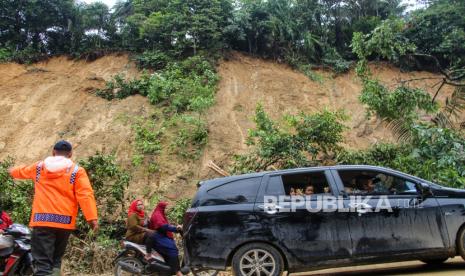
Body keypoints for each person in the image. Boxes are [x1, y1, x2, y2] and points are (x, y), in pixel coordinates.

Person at [8, 140, 98, 276]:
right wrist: (92, 218)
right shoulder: (76, 171)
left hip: (42, 222)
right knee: (56, 261)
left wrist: (10, 171)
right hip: (64, 224)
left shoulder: (39, 167)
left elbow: (21, 171)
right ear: (70, 154)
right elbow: (85, 195)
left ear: (53, 152)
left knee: (43, 263)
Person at [149, 202, 182, 276]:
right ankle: (177, 272)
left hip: (160, 235)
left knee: (172, 246)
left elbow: (166, 225)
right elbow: (163, 226)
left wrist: (176, 228)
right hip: (157, 237)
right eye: (166, 208)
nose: (167, 209)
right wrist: (175, 228)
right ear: (162, 208)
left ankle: (168, 270)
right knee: (172, 249)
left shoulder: (160, 214)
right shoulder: (157, 215)